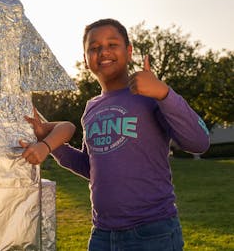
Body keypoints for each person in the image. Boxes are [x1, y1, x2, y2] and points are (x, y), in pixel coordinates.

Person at [21, 18, 210, 250]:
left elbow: (199, 142)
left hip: (152, 232)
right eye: (94, 48)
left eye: (112, 44)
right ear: (85, 59)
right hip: (102, 234)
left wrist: (163, 92)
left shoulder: (151, 95)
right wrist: (52, 144)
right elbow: (92, 168)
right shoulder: (91, 108)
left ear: (129, 51)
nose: (103, 52)